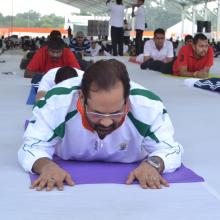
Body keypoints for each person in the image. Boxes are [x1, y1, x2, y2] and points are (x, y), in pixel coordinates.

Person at [18, 59, 183, 191]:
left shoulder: (148, 106)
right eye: (97, 113)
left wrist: (153, 164)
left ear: (127, 99)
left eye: (116, 112)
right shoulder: (56, 103)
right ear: (81, 97)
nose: (106, 122)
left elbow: (169, 148)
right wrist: (45, 166)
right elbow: (32, 145)